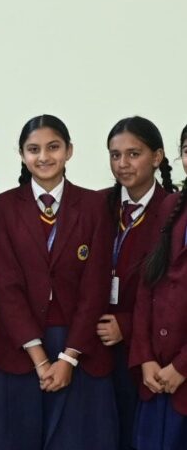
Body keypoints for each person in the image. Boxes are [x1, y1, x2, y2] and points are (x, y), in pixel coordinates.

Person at [0, 114, 117, 449]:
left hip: (78, 343)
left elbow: (95, 287)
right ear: (22, 154)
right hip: (19, 345)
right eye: (33, 149)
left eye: (53, 147)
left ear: (69, 151)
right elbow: (8, 287)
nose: (44, 156)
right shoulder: (4, 206)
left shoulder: (95, 205)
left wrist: (68, 358)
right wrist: (39, 358)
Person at [99, 116, 176, 449]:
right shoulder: (98, 206)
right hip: (97, 345)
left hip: (147, 351)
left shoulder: (173, 212)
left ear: (157, 157)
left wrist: (126, 326)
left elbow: (172, 292)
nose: (123, 164)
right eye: (115, 155)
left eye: (134, 154)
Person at [129, 123, 187, 450]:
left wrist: (181, 367)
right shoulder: (171, 206)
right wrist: (146, 358)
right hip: (156, 376)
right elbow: (147, 286)